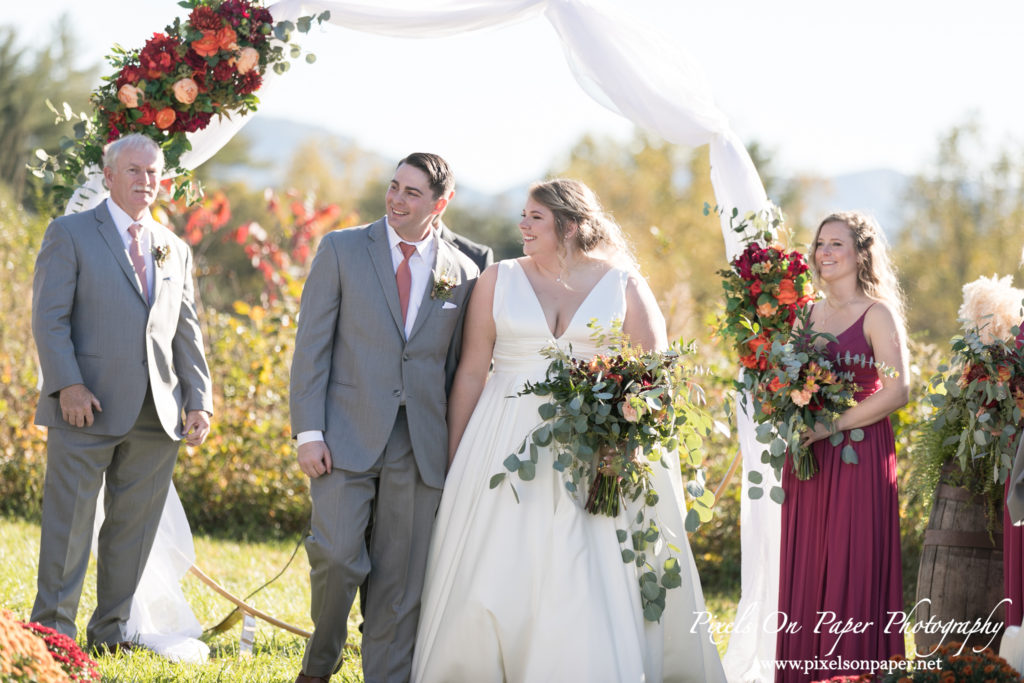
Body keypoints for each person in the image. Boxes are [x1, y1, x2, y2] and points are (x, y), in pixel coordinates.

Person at [412, 178, 726, 682]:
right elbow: (472, 370)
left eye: (535, 218)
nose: (523, 226)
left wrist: (621, 446)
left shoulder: (623, 284)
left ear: (570, 226)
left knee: (585, 565)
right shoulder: (499, 278)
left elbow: (653, 378)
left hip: (594, 446)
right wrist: (457, 457)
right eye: (524, 215)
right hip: (501, 442)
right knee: (498, 564)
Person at [289, 152, 480, 683]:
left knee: (401, 579)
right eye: (394, 187)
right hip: (343, 433)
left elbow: (456, 367)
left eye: (412, 193)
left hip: (420, 445)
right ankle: (319, 665)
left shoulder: (463, 273)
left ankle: (386, 675)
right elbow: (311, 349)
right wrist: (309, 432)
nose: (396, 199)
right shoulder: (343, 249)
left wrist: (452, 446)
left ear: (441, 204)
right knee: (335, 556)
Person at [30, 133, 213, 652]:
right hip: (84, 407)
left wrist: (199, 398)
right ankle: (52, 636)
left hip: (159, 414)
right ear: (108, 176)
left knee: (131, 534)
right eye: (134, 171)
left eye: (154, 173)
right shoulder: (69, 234)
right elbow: (49, 318)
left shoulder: (173, 247)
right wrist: (67, 384)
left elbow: (187, 329)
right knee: (68, 530)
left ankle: (110, 633)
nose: (146, 181)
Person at [776, 211, 909, 682]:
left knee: (851, 565)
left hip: (859, 452)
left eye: (836, 244)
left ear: (860, 255)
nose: (824, 253)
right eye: (820, 244)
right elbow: (785, 379)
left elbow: (897, 391)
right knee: (810, 565)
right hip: (809, 457)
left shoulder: (878, 313)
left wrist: (830, 426)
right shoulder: (804, 314)